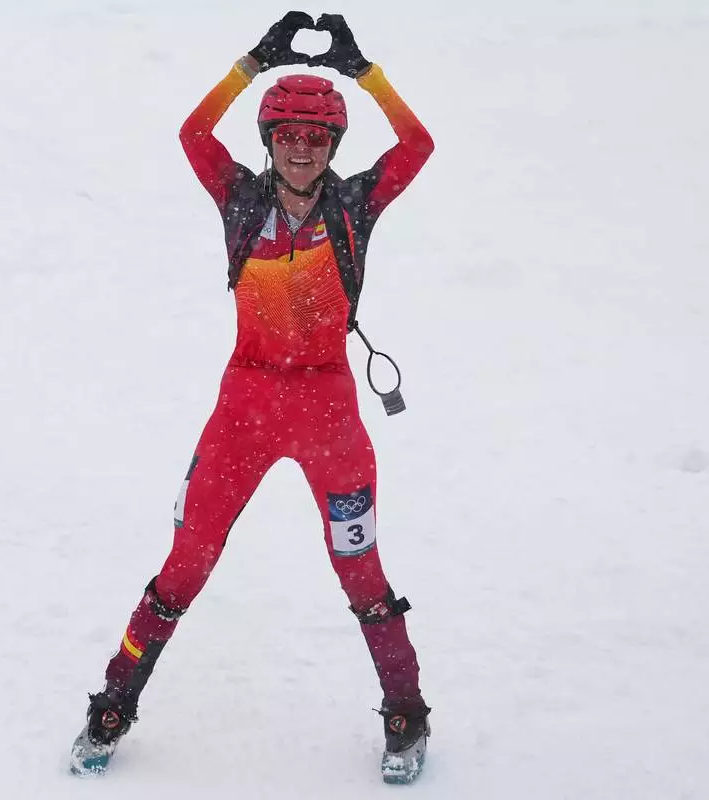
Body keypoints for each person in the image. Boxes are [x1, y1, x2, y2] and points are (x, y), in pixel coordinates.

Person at [69, 12, 435, 783]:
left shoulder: (354, 206)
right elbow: (192, 134)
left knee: (359, 568)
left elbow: (418, 147)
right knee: (186, 562)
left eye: (317, 137)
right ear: (269, 141)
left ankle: (406, 712)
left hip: (330, 413)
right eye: (288, 135)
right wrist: (250, 64)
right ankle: (114, 703)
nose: (302, 148)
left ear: (333, 145)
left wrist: (364, 74)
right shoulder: (238, 197)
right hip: (245, 407)